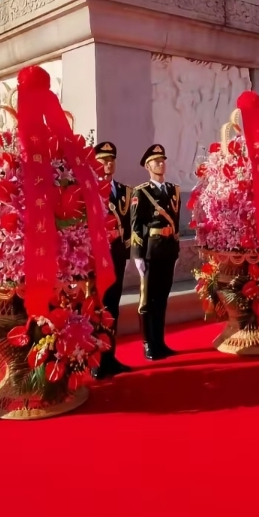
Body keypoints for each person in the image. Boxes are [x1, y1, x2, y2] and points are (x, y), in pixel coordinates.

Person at [130, 144, 181, 360]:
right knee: (147, 300)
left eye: (162, 160)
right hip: (151, 251)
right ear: (148, 166)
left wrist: (175, 249)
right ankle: (148, 343)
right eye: (156, 161)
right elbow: (135, 225)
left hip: (168, 250)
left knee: (162, 299)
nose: (160, 163)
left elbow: (176, 221)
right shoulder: (141, 192)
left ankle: (160, 341)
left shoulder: (173, 190)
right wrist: (138, 255)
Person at [92, 141, 132, 378]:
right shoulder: (86, 189)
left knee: (112, 309)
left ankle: (109, 358)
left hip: (117, 257)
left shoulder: (124, 191)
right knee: (97, 309)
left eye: (111, 159)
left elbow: (129, 224)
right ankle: (95, 361)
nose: (108, 164)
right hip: (97, 260)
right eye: (103, 159)